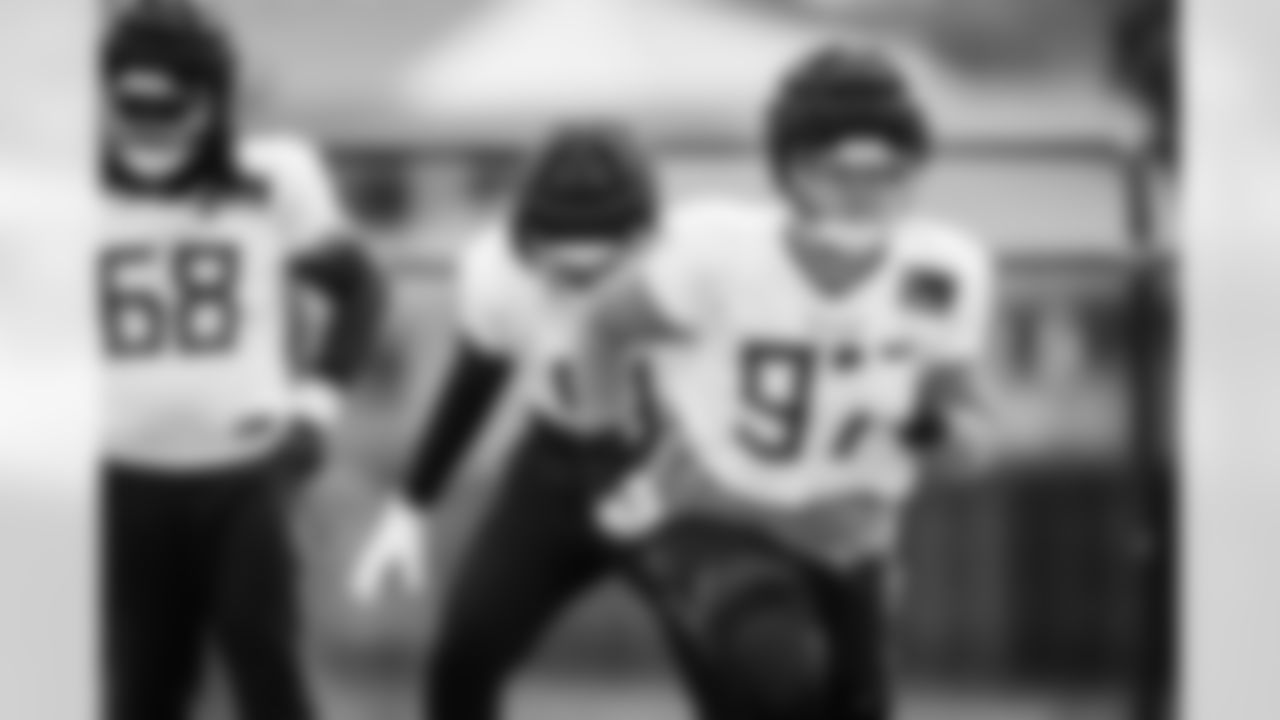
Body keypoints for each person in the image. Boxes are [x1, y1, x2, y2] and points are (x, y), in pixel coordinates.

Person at [580, 46, 999, 720]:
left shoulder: (940, 274)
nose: (863, 195)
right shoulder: (719, 253)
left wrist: (926, 425)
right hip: (718, 518)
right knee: (777, 670)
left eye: (885, 172)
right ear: (791, 172)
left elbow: (977, 443)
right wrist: (604, 458)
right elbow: (602, 326)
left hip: (845, 536)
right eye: (839, 172)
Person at [349, 125, 717, 720]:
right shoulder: (499, 270)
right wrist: (410, 506)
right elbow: (476, 378)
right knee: (464, 655)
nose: (580, 287)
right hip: (556, 467)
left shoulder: (697, 268)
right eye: (563, 271)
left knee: (729, 661)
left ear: (644, 242)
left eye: (598, 272)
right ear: (529, 241)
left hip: (668, 466)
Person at [100, 3, 384, 720]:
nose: (149, 129)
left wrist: (317, 409)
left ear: (213, 103)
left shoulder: (272, 178)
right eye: (132, 107)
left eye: (169, 108)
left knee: (264, 657)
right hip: (122, 469)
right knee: (143, 683)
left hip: (244, 467)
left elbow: (361, 287)